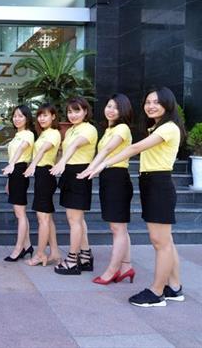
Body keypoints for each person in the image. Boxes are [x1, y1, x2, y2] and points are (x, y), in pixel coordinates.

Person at [86, 87, 186, 307]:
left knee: (160, 242)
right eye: (148, 102)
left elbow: (136, 148)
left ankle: (156, 292)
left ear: (167, 104)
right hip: (151, 182)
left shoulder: (168, 127)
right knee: (165, 241)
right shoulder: (156, 128)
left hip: (159, 184)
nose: (151, 106)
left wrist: (104, 164)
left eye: (156, 102)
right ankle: (174, 287)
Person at [77, 94, 135, 285]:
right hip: (108, 178)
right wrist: (93, 169)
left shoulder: (122, 128)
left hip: (117, 178)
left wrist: (90, 169)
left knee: (117, 228)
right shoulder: (109, 129)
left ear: (123, 110)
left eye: (116, 107)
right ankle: (126, 267)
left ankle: (112, 270)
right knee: (119, 227)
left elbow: (106, 151)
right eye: (109, 106)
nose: (111, 110)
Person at [50, 97, 98, 275]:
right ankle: (85, 256)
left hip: (80, 173)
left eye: (77, 111)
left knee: (74, 220)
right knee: (77, 219)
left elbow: (75, 146)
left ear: (85, 111)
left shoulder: (89, 129)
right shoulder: (70, 130)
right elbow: (65, 148)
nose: (73, 115)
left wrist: (62, 162)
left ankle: (72, 260)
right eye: (70, 111)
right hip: (70, 173)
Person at [23, 104, 62, 267]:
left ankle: (40, 254)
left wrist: (32, 165)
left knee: (43, 218)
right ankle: (55, 253)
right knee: (47, 217)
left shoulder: (53, 133)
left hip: (45, 174)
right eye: (39, 115)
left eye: (45, 115)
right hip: (42, 175)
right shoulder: (44, 133)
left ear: (53, 116)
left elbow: (44, 149)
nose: (41, 118)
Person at [2, 105, 35, 262]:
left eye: (20, 116)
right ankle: (27, 245)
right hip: (14, 172)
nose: (17, 119)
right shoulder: (17, 135)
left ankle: (18, 248)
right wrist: (9, 179)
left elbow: (21, 151)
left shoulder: (28, 134)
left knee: (20, 213)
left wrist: (11, 165)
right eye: (15, 116)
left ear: (27, 118)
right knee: (20, 213)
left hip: (20, 170)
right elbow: (12, 157)